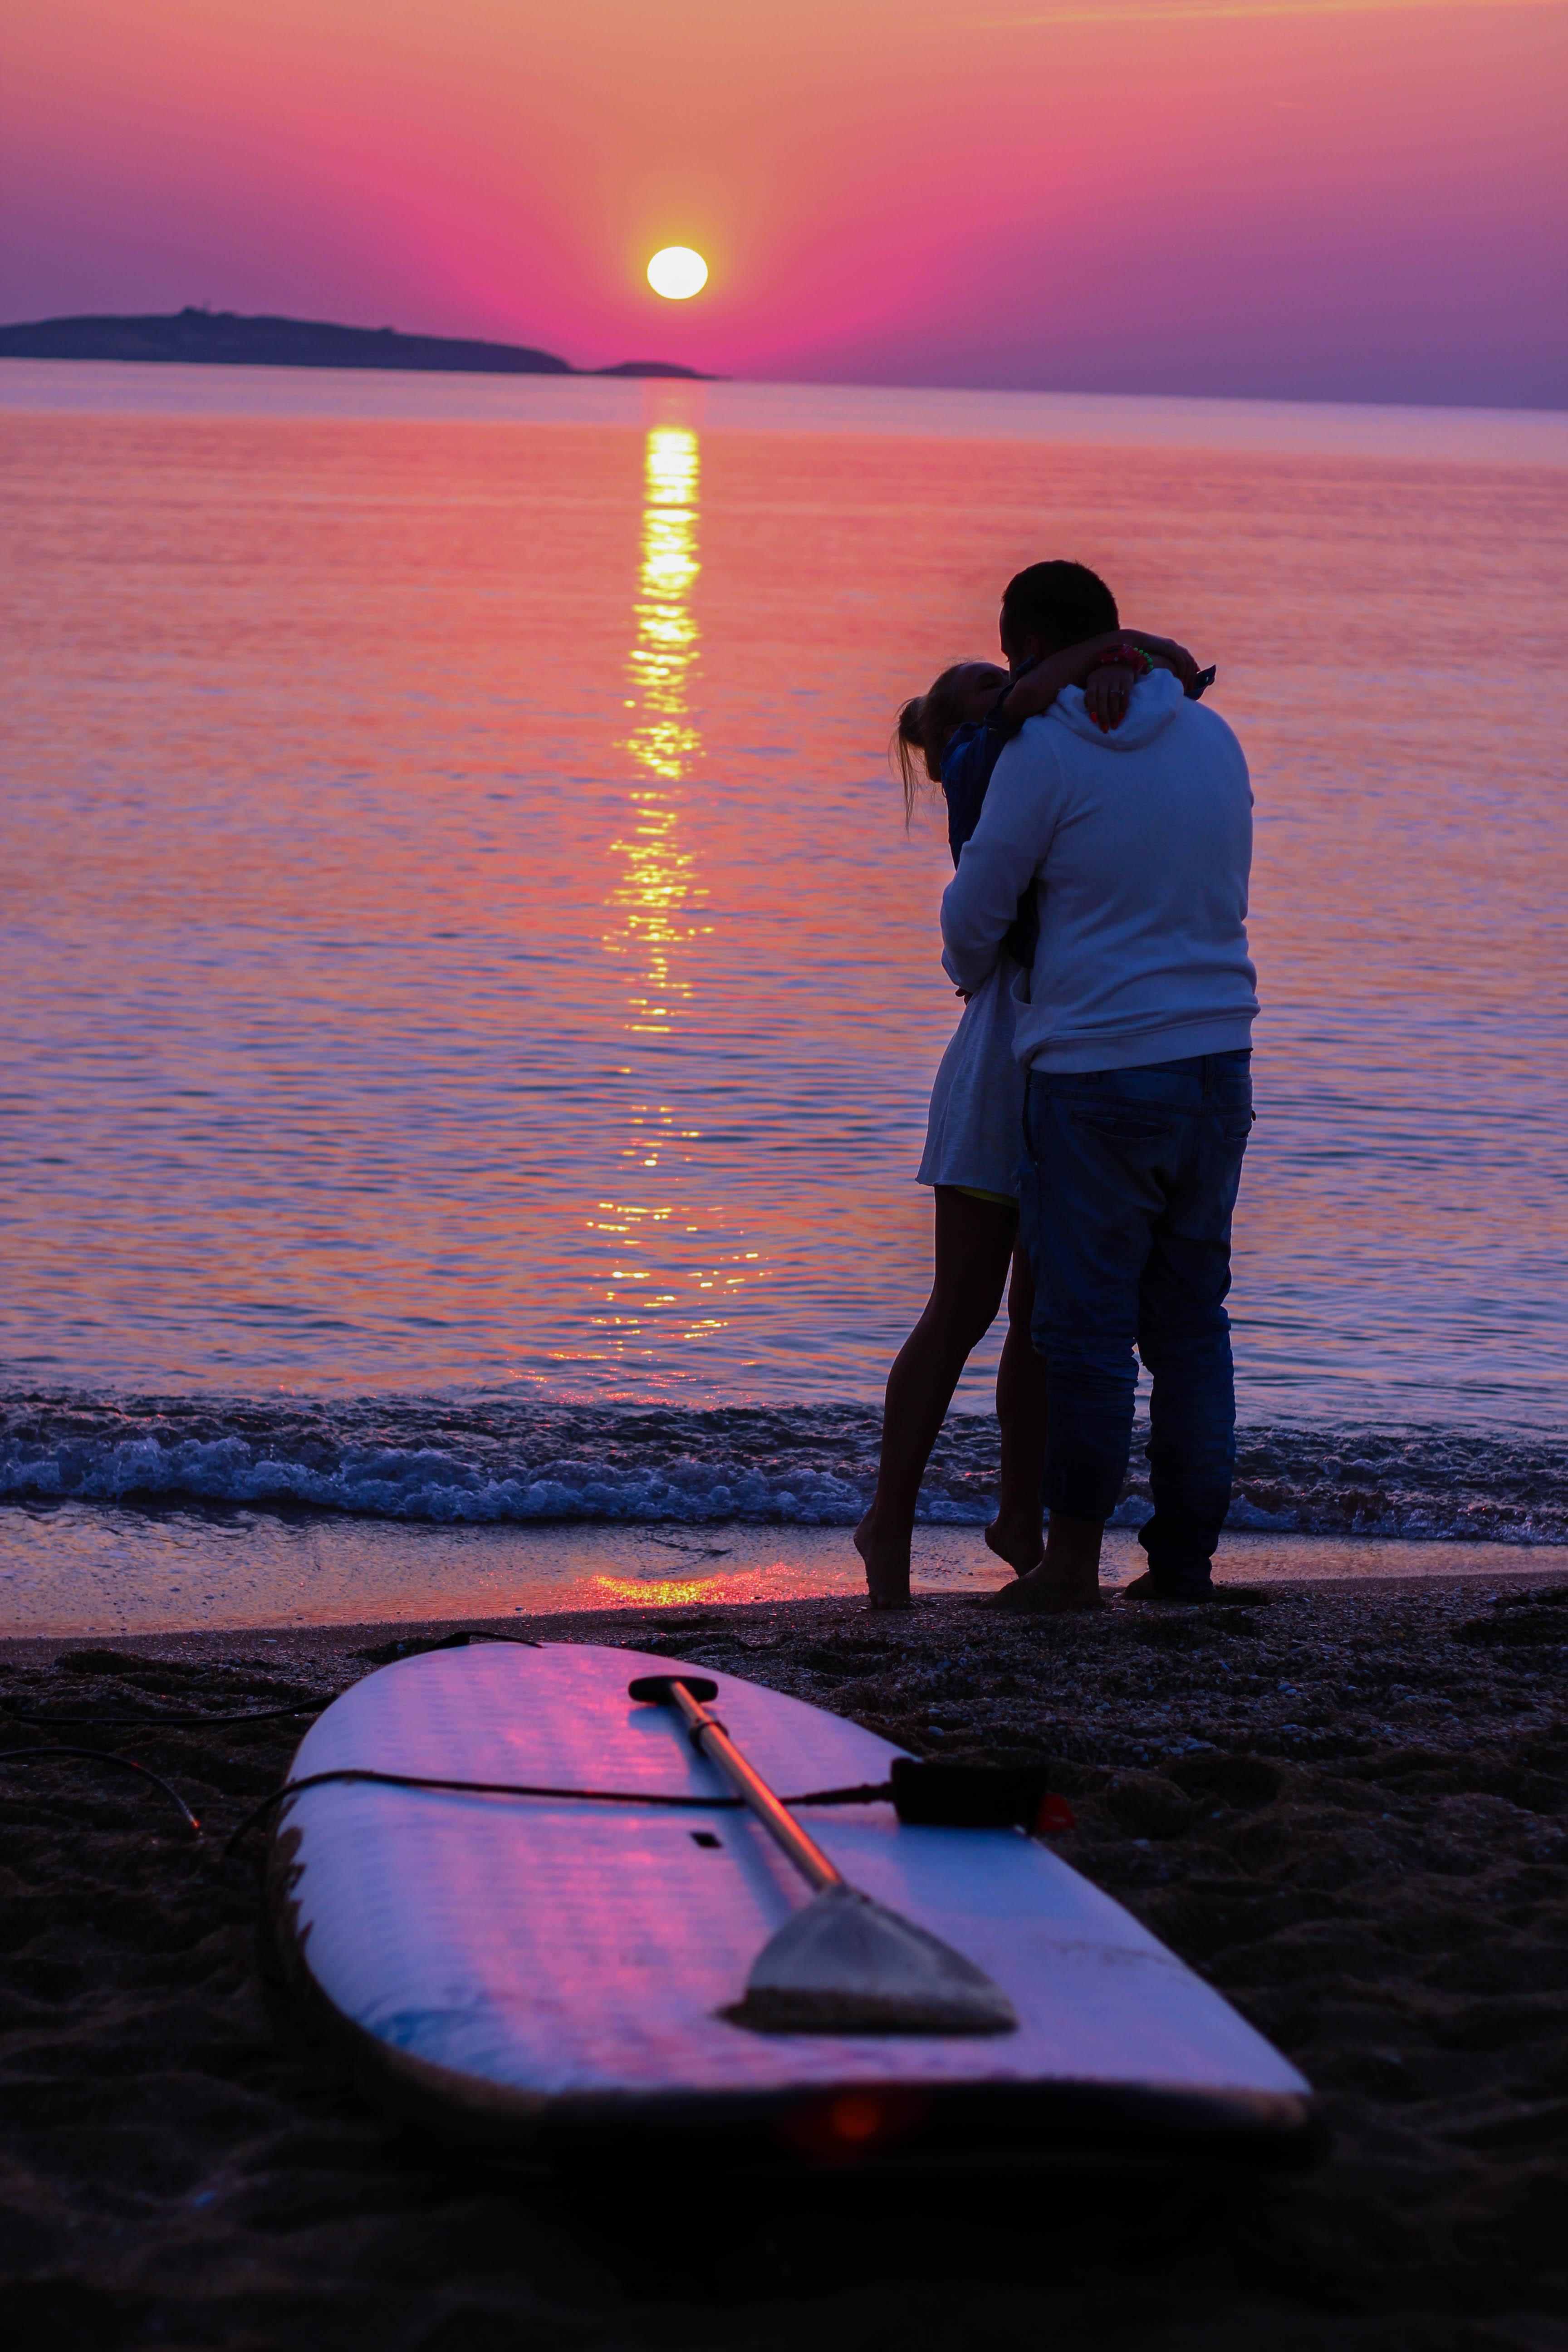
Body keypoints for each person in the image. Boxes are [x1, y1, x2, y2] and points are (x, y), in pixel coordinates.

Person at [855, 616, 1202, 1611]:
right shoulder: (982, 755)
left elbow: (1160, 679)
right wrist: (1106, 651)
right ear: (952, 720)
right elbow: (1021, 698)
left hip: (1075, 1056)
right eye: (979, 679)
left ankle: (1020, 1515)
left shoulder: (1046, 750)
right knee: (961, 1308)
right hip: (1002, 1064)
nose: (1003, 677)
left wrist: (1125, 661)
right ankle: (889, 1518)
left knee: (1046, 1320)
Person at [941, 559, 1256, 1612]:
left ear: (1025, 645)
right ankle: (1183, 1566)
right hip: (1218, 1055)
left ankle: (1071, 1559)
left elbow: (971, 916)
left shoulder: (1041, 752)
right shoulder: (1214, 738)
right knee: (1188, 1323)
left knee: (1081, 1332)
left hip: (1097, 1069)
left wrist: (974, 970)